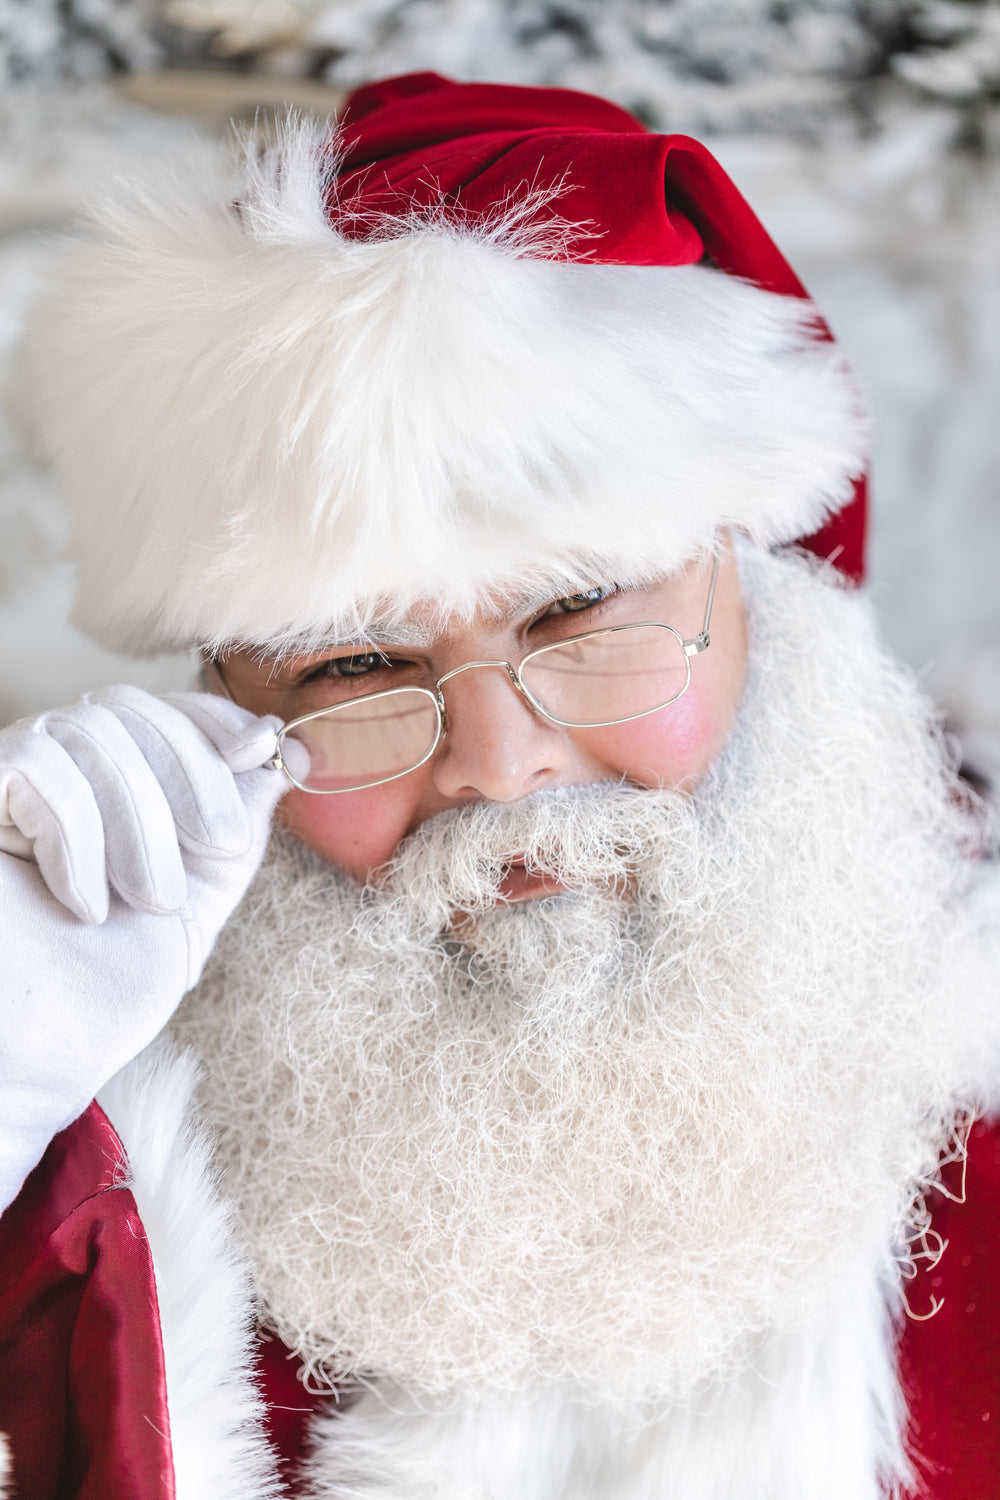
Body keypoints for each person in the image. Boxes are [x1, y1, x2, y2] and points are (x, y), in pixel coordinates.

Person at [0, 70, 997, 1500]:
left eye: (580, 607)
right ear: (233, 709)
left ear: (766, 585)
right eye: (350, 667)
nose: (502, 766)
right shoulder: (86, 1171)